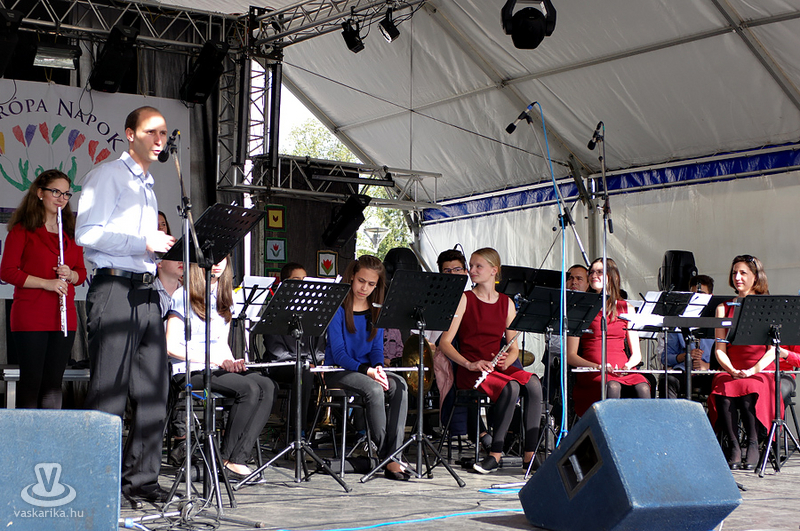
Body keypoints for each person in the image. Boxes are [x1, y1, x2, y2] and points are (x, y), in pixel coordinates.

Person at [75, 106, 176, 508]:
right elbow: (86, 233)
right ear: (130, 134)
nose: (159, 140)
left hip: (146, 292)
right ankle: (94, 484)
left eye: (164, 133)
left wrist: (160, 250)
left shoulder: (148, 186)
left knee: (154, 391)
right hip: (115, 288)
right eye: (151, 131)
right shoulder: (108, 175)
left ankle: (141, 482)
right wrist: (142, 243)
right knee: (109, 392)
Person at [166, 256, 276, 479]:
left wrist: (230, 362)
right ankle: (224, 460)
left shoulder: (226, 297)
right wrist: (211, 360)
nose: (217, 262)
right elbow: (170, 346)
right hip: (188, 370)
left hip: (215, 367)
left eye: (222, 257)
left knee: (267, 385)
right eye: (212, 257)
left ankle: (237, 458)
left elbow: (221, 344)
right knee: (249, 389)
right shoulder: (183, 295)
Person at [440, 248, 542, 474]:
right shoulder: (464, 299)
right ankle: (495, 454)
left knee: (534, 384)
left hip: (496, 368)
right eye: (471, 266)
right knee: (511, 386)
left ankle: (530, 456)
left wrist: (508, 360)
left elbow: (513, 348)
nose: (472, 270)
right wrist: (469, 364)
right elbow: (444, 343)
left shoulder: (507, 303)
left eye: (478, 266)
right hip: (472, 370)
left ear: (494, 271)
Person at [0, 170, 87, 409]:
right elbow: (7, 271)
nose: (62, 198)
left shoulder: (71, 232)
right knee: (31, 382)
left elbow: (81, 273)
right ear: (40, 193)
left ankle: (51, 434)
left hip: (63, 316)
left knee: (53, 384)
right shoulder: (22, 230)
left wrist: (71, 274)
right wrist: (46, 283)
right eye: (55, 192)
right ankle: (26, 434)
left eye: (66, 194)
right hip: (31, 314)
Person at [324, 255, 409, 481]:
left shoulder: (376, 309)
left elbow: (376, 349)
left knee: (400, 385)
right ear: (352, 276)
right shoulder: (338, 307)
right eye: (361, 281)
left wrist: (378, 367)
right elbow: (339, 354)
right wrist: (368, 371)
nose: (365, 288)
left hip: (367, 370)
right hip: (338, 371)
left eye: (371, 284)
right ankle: (388, 458)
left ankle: (394, 453)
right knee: (373, 389)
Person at [709, 255, 778, 470]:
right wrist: (731, 369)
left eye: (743, 273)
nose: (737, 277)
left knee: (749, 389)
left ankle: (753, 444)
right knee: (722, 387)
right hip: (731, 366)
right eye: (734, 273)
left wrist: (752, 370)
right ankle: (734, 446)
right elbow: (720, 349)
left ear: (755, 277)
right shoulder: (723, 308)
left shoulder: (768, 306)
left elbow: (772, 351)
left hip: (760, 367)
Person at [567, 258, 650, 417]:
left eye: (599, 272)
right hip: (593, 370)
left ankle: (643, 430)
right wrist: (598, 366)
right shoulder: (580, 308)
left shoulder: (627, 308)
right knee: (612, 386)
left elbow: (637, 354)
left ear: (613, 276)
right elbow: (570, 355)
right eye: (592, 272)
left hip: (622, 370)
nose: (593, 275)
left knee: (643, 387)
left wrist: (628, 366)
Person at [262, 262, 323, 433]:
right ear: (285, 283)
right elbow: (276, 351)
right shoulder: (275, 311)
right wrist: (304, 363)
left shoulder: (312, 312)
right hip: (281, 366)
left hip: (309, 365)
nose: (302, 284)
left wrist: (317, 363)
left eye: (305, 280)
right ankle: (298, 430)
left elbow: (319, 346)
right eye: (297, 280)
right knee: (303, 371)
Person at [659, 274, 715, 399]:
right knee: (667, 381)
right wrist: (685, 356)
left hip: (709, 372)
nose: (697, 299)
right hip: (684, 371)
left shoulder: (717, 320)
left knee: (722, 384)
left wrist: (708, 366)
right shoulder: (679, 321)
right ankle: (671, 412)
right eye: (693, 295)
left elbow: (728, 356)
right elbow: (665, 358)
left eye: (701, 295)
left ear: (710, 296)